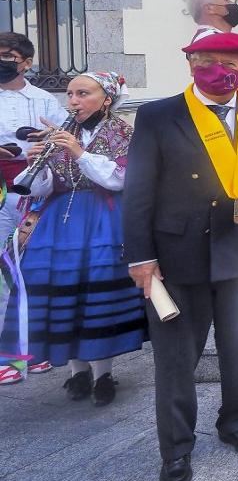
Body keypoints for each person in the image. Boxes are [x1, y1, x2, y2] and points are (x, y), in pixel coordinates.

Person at [124, 31, 238, 481]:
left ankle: (237, 421)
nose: (223, 69)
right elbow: (138, 191)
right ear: (191, 64)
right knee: (177, 360)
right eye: (210, 60)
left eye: (233, 61)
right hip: (179, 256)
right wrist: (140, 257)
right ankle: (176, 448)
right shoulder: (160, 114)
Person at [0, 71, 144, 404]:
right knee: (61, 292)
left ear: (106, 98)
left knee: (97, 293)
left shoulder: (123, 131)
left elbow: (119, 178)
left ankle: (103, 373)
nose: (74, 101)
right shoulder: (61, 133)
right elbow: (41, 186)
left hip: (103, 219)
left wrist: (78, 152)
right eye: (70, 94)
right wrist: (36, 162)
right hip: (58, 221)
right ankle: (78, 372)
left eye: (83, 93)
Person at [0, 32, 70, 383]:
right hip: (0, 191)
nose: (2, 61)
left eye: (8, 56)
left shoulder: (45, 101)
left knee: (33, 270)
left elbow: (62, 141)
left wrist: (45, 145)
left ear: (26, 62)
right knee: (1, 273)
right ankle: (6, 357)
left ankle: (35, 351)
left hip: (35, 197)